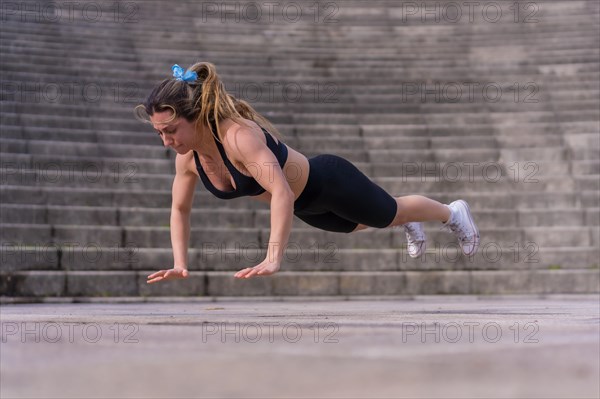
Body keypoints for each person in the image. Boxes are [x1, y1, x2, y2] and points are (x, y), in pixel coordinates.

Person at [136, 62, 480, 283]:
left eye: (171, 130)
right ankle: (407, 219)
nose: (166, 141)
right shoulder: (189, 160)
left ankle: (452, 212)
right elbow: (180, 210)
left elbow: (281, 191)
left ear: (194, 116)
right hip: (305, 207)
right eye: (159, 133)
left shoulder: (237, 137)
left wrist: (273, 257)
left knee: (389, 212)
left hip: (328, 180)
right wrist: (180, 263)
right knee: (376, 220)